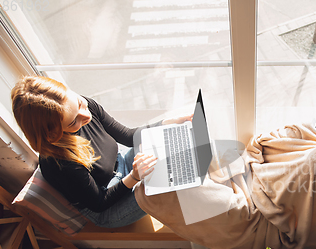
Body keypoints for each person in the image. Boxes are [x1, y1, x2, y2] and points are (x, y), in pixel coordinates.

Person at [11, 76, 191, 228]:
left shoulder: (84, 106)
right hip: (108, 206)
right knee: (174, 182)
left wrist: (169, 122)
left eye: (80, 103)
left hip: (123, 165)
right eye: (74, 122)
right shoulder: (60, 163)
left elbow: (128, 136)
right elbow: (99, 203)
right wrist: (135, 177)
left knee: (174, 140)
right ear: (52, 134)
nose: (86, 116)